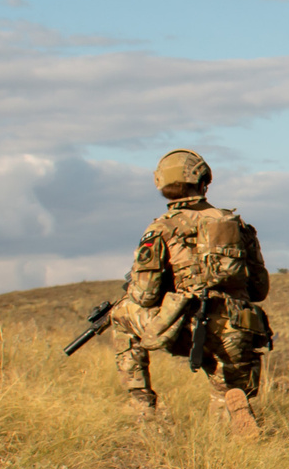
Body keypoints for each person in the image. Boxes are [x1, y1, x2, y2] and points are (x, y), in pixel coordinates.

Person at [110, 149, 273, 438]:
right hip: (237, 329)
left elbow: (144, 296)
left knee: (120, 313)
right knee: (227, 391)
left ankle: (142, 408)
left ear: (161, 184)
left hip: (185, 326)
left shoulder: (160, 228)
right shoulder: (238, 226)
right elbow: (259, 290)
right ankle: (233, 409)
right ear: (204, 181)